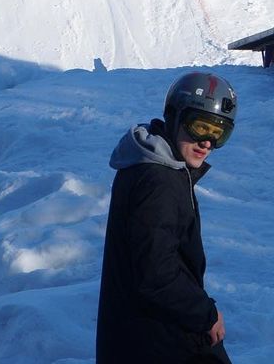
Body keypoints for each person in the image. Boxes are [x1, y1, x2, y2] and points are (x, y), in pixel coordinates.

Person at [97, 71, 238, 364]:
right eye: (200, 127)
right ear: (174, 117)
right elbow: (155, 274)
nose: (207, 142)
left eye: (219, 133)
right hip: (156, 341)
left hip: (148, 334)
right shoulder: (157, 181)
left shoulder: (160, 168)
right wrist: (206, 314)